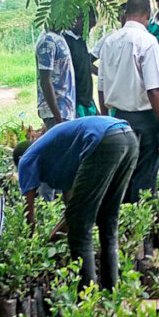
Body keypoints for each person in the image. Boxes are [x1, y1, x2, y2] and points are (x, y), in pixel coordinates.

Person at [13, 116, 138, 291]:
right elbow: (73, 208)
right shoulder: (60, 155)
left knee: (81, 227)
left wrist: (32, 249)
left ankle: (86, 296)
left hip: (103, 139)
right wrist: (55, 235)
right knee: (108, 218)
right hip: (128, 137)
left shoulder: (26, 160)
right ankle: (111, 292)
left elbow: (29, 217)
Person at [96, 0, 159, 203]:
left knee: (122, 174)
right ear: (147, 14)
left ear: (126, 13)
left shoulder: (109, 41)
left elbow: (101, 87)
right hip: (144, 119)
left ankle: (122, 218)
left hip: (117, 118)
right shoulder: (147, 41)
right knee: (144, 175)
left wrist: (105, 119)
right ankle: (141, 219)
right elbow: (154, 89)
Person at [35, 23, 77, 128]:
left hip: (65, 111)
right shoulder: (47, 41)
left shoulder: (59, 36)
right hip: (56, 114)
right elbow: (45, 81)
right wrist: (58, 117)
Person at [64, 8, 98, 116]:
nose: (89, 31)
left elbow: (85, 63)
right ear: (80, 19)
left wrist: (103, 73)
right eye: (88, 26)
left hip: (87, 99)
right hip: (76, 100)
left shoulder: (80, 40)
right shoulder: (66, 41)